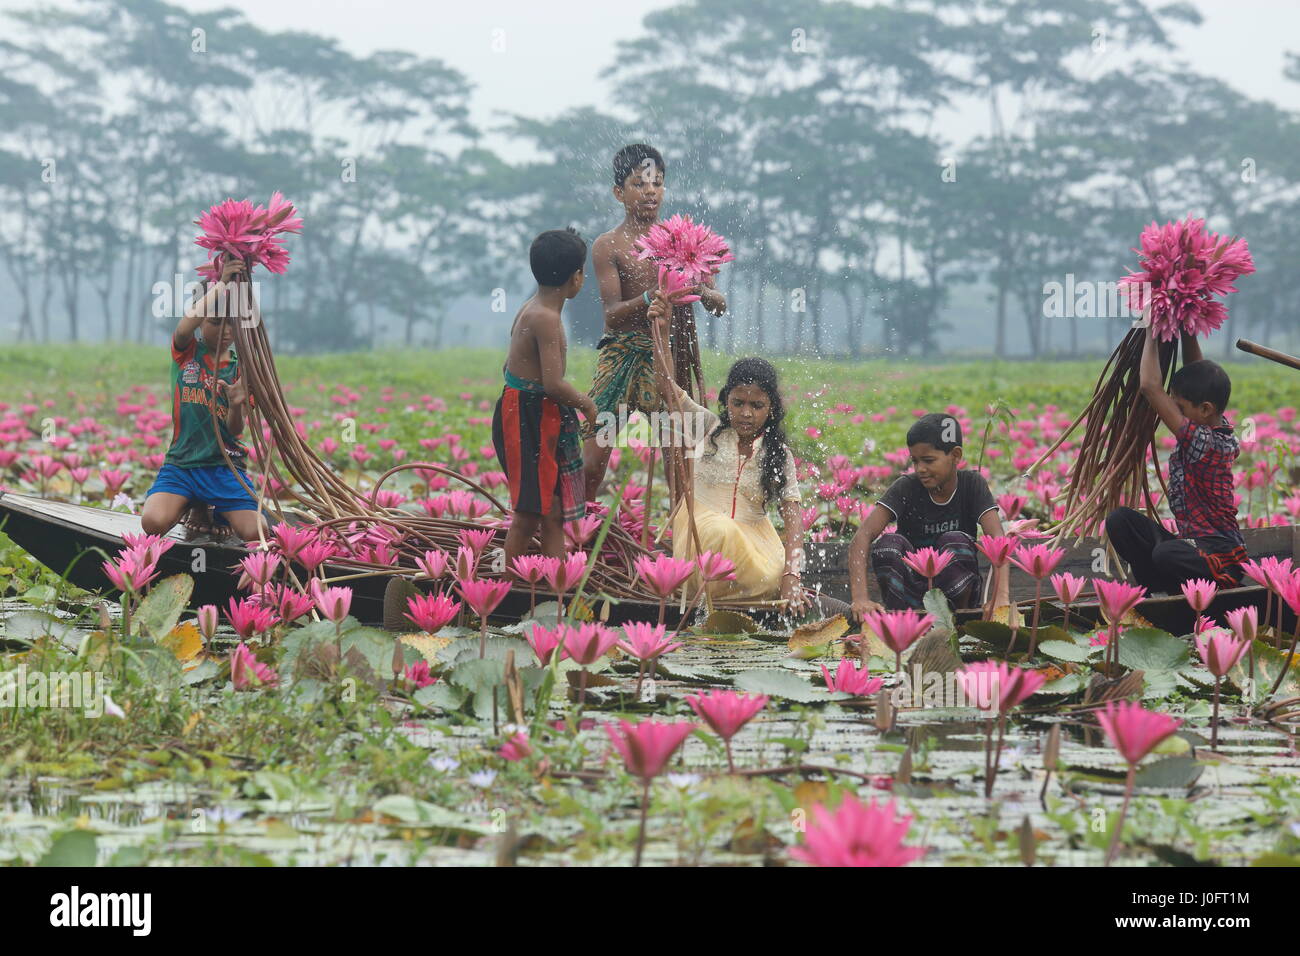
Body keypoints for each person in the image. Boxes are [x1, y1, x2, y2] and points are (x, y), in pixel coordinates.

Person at [581, 143, 726, 501]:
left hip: (668, 358)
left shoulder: (684, 239)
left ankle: (680, 540)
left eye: (657, 183)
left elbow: (717, 302)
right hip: (620, 356)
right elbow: (612, 314)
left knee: (678, 454)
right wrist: (651, 298)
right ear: (619, 192)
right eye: (639, 183)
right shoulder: (608, 245)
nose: (650, 191)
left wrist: (701, 292)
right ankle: (576, 527)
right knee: (594, 451)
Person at [646, 296, 809, 610]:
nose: (746, 413)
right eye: (738, 403)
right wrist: (662, 331)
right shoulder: (706, 428)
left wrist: (791, 575)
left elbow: (794, 523)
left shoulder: (779, 454)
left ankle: (743, 593)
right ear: (726, 401)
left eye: (757, 406)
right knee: (722, 531)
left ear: (771, 409)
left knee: (768, 571)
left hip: (753, 546)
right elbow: (666, 386)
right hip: (700, 536)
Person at [1105, 321, 1247, 593]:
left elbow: (1149, 386)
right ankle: (1160, 586)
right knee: (1120, 520)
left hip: (1221, 556)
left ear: (1205, 409)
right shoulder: (1213, 421)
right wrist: (1186, 318)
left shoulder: (1205, 442)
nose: (1172, 411)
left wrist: (1149, 326)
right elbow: (1197, 370)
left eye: (1178, 406)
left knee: (1167, 554)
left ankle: (1213, 584)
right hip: (1192, 546)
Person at [492, 228, 598, 569]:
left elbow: (509, 365)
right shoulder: (546, 319)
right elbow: (553, 384)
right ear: (576, 277)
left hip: (531, 413)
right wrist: (587, 404)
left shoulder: (531, 307)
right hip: (527, 418)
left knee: (552, 512)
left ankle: (558, 588)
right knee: (528, 513)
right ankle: (501, 589)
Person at [141, 258, 265, 542]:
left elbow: (235, 431)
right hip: (182, 464)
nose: (225, 332)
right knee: (153, 522)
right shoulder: (187, 353)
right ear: (202, 319)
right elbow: (184, 327)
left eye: (232, 325)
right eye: (215, 322)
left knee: (256, 531)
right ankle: (194, 503)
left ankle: (216, 508)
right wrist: (221, 284)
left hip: (224, 468)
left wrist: (235, 404)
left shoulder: (243, 370)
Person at [847, 413, 1012, 616]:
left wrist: (1001, 597)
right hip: (911, 597)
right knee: (888, 544)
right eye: (915, 461)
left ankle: (959, 617)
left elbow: (998, 539)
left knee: (955, 540)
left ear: (955, 455)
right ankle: (901, 617)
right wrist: (861, 599)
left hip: (958, 594)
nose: (920, 469)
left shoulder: (972, 485)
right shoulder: (906, 487)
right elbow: (862, 537)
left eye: (928, 460)